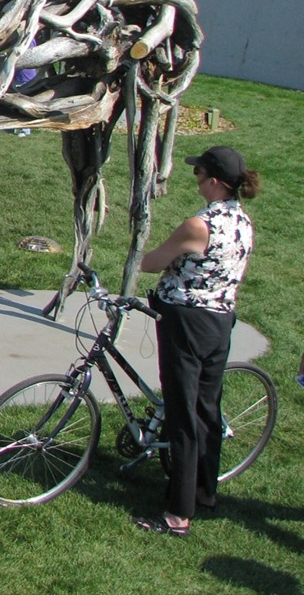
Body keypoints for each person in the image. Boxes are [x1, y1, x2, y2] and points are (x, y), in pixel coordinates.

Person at [134, 146, 259, 538]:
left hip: (185, 322)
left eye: (199, 174)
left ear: (215, 182)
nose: (196, 180)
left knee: (182, 414)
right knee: (206, 409)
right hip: (220, 321)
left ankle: (176, 515)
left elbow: (151, 262)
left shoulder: (199, 225)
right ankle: (205, 493)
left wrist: (166, 261)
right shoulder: (244, 222)